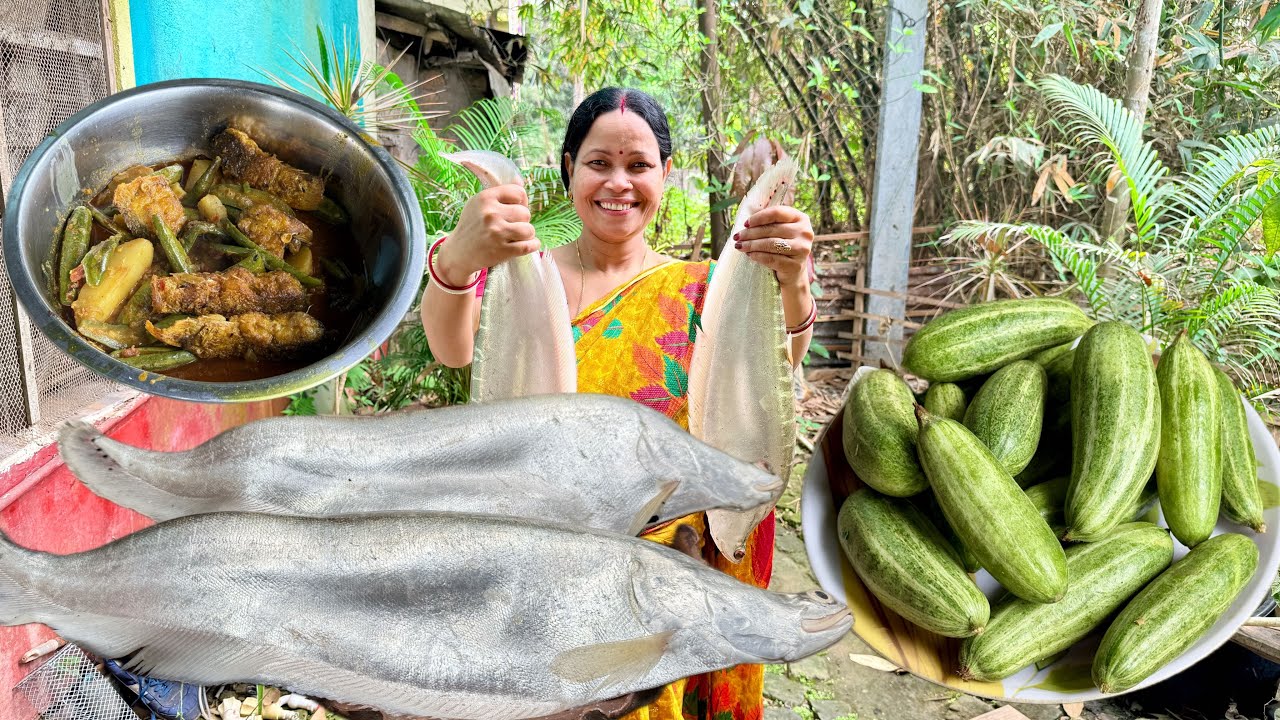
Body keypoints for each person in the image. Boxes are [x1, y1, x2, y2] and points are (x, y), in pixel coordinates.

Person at [420, 87, 815, 720]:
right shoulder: (524, 276)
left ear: (664, 174)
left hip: (676, 572)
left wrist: (792, 282)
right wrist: (460, 257)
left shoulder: (702, 288)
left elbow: (770, 372)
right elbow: (451, 348)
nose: (618, 183)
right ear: (568, 169)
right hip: (547, 564)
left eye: (639, 166)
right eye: (599, 163)